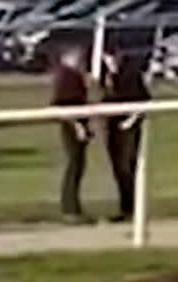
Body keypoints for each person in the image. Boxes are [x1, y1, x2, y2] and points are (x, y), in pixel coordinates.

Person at [100, 50, 151, 222]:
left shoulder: (131, 73)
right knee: (118, 169)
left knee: (127, 167)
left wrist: (131, 121)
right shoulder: (105, 74)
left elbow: (145, 101)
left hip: (128, 127)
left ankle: (133, 208)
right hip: (112, 127)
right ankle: (126, 207)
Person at [51, 46, 94, 225]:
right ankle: (70, 209)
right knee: (74, 166)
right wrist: (77, 126)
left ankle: (73, 208)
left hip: (79, 125)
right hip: (72, 126)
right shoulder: (67, 77)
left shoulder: (74, 75)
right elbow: (61, 106)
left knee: (78, 166)